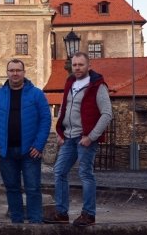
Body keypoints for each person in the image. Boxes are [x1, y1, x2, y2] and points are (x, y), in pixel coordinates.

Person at [45, 52, 113, 227]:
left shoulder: (98, 86)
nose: (77, 68)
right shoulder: (70, 83)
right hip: (68, 137)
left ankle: (89, 215)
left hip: (85, 139)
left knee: (85, 174)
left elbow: (107, 114)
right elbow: (63, 108)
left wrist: (91, 137)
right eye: (74, 65)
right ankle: (61, 213)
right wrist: (59, 131)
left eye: (81, 65)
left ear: (88, 66)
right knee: (59, 171)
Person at [0, 59, 51, 224]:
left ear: (23, 72)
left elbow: (45, 120)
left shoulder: (36, 94)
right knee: (12, 189)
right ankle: (17, 223)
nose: (15, 73)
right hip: (5, 151)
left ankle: (36, 223)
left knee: (33, 189)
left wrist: (39, 144)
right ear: (7, 73)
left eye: (18, 70)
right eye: (11, 70)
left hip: (30, 151)